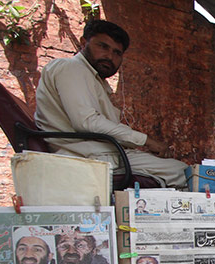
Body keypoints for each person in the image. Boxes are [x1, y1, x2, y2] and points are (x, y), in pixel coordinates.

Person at [34, 20, 187, 188]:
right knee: (185, 174)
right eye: (103, 47)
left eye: (117, 53)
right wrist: (146, 141)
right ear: (83, 43)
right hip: (85, 155)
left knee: (183, 172)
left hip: (102, 152)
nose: (109, 56)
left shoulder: (94, 80)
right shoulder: (71, 68)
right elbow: (87, 122)